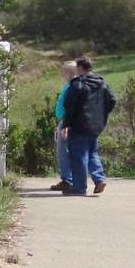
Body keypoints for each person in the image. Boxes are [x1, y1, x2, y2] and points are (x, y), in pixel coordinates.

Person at [60, 57, 115, 196]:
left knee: (78, 156)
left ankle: (79, 188)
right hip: (96, 126)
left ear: (79, 68)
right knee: (92, 153)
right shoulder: (102, 84)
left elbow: (69, 107)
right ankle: (99, 179)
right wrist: (102, 115)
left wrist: (65, 125)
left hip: (79, 125)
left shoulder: (77, 84)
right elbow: (112, 100)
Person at [49, 61, 79, 192]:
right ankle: (69, 179)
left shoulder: (72, 87)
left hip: (67, 122)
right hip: (66, 121)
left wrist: (64, 125)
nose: (62, 75)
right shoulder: (71, 86)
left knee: (63, 151)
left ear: (69, 73)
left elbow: (69, 107)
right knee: (66, 151)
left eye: (64, 72)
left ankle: (67, 180)